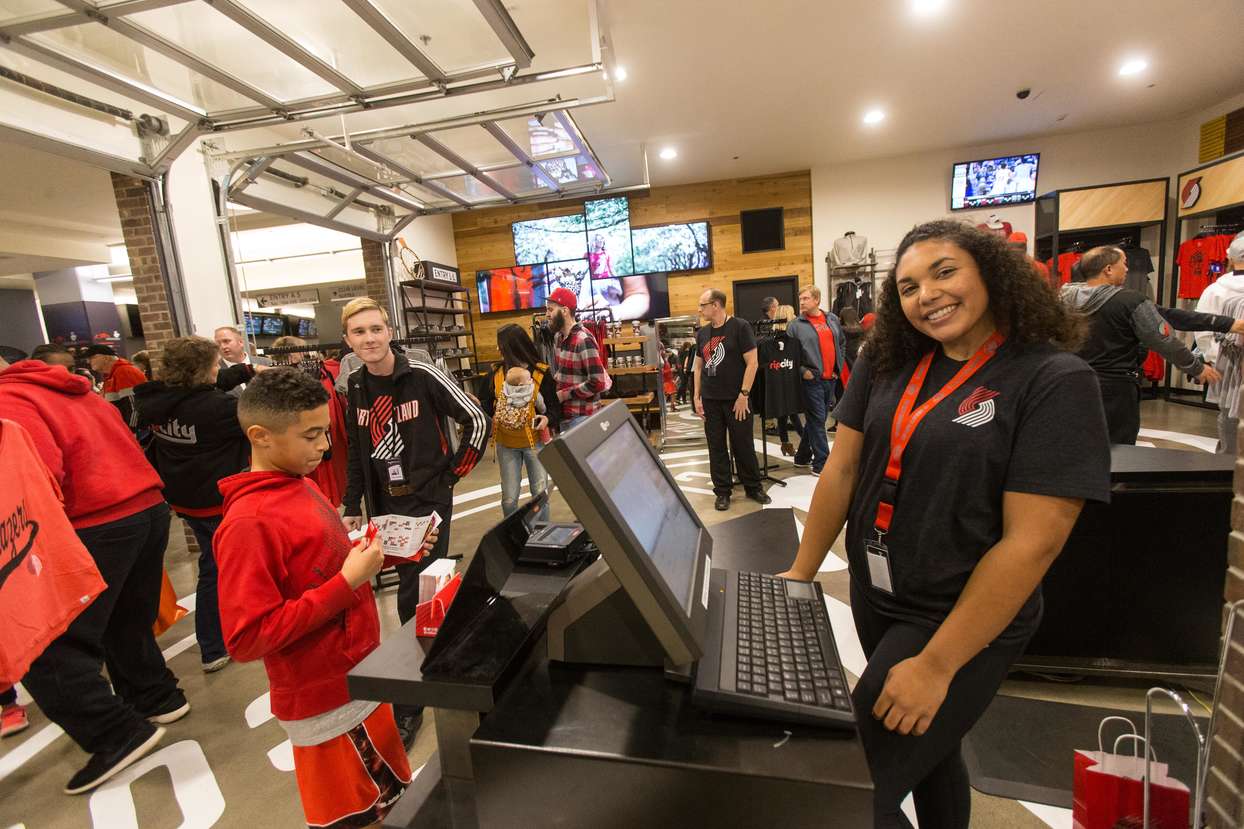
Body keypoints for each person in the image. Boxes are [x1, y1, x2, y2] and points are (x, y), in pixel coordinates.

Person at [781, 220, 1112, 829]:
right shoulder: (888, 358)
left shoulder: (1052, 379)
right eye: (907, 287)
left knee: (846, 789)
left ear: (990, 272)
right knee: (932, 754)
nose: (925, 295)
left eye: (943, 272)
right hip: (877, 592)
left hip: (956, 614)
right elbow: (845, 466)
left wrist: (936, 665)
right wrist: (802, 571)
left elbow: (1033, 541)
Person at [215, 368, 434, 829]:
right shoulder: (248, 523)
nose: (324, 447)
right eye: (311, 435)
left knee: (394, 804)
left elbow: (327, 566)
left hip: (360, 678)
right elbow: (247, 637)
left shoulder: (300, 482)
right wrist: (348, 583)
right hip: (326, 700)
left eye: (325, 433)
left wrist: (389, 555)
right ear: (261, 436)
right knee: (359, 815)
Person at [0, 354, 186, 794]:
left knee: (46, 642)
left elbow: (37, 476)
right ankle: (157, 696)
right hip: (145, 507)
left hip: (93, 520)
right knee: (126, 618)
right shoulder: (74, 390)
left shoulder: (10, 402)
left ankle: (114, 733)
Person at [339, 298, 489, 746]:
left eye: (375, 329)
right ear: (348, 340)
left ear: (389, 331)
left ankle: (411, 702)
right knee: (418, 594)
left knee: (414, 595)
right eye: (359, 333)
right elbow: (356, 451)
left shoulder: (421, 375)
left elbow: (476, 419)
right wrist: (352, 502)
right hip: (384, 507)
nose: (369, 339)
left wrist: (450, 477)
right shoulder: (354, 387)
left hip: (427, 504)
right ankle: (435, 660)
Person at [134, 336, 259, 673]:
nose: (219, 369)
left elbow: (204, 389)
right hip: (216, 501)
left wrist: (246, 369)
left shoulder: (156, 401)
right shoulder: (218, 409)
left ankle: (226, 634)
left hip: (184, 499)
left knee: (217, 564)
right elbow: (256, 427)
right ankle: (214, 646)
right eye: (215, 364)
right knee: (217, 571)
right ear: (202, 370)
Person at [1060, 246, 1221, 444]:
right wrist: (1195, 367)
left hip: (1070, 382)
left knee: (1075, 443)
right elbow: (1163, 340)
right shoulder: (1131, 301)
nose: (1127, 269)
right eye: (1124, 263)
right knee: (1119, 450)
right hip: (1116, 388)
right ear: (1108, 269)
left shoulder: (1060, 299)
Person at [693, 289, 772, 511]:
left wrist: (744, 395)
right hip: (710, 400)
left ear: (716, 305)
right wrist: (696, 395)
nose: (700, 309)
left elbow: (753, 363)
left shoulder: (740, 327)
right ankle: (722, 491)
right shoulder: (703, 333)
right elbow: (698, 367)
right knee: (716, 446)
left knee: (743, 444)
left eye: (703, 305)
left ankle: (753, 487)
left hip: (737, 399)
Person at [478, 324, 559, 521]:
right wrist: (490, 415)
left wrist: (548, 418)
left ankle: (542, 537)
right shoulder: (495, 375)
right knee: (509, 499)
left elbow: (555, 407)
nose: (498, 350)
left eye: (501, 346)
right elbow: (485, 405)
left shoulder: (541, 373)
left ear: (512, 347)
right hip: (506, 445)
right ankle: (514, 537)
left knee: (540, 494)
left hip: (535, 443)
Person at [273, 335, 350, 506]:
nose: (307, 356)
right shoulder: (312, 377)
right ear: (294, 355)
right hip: (306, 446)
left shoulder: (273, 381)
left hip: (296, 448)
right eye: (303, 352)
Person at [788, 285, 848, 474]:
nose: (802, 302)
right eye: (801, 299)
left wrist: (838, 367)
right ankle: (822, 464)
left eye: (806, 298)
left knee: (817, 420)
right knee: (816, 420)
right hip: (810, 380)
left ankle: (802, 456)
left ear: (816, 300)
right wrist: (802, 371)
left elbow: (842, 343)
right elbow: (790, 355)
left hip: (830, 378)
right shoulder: (795, 325)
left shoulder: (832, 319)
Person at [1195, 233, 1244, 453]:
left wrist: (1214, 358)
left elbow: (1202, 329)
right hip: (1230, 359)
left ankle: (1227, 461)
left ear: (1231, 259)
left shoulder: (1215, 290)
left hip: (1227, 362)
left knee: (1228, 413)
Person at [546, 287, 609, 430]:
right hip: (565, 417)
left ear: (564, 311)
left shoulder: (583, 340)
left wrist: (564, 395)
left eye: (550, 310)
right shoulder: (558, 338)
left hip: (584, 418)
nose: (547, 315)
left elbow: (598, 383)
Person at [83, 344, 148, 431]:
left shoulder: (124, 371)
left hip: (134, 432)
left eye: (92, 357)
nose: (88, 362)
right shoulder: (114, 374)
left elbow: (136, 407)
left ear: (106, 358)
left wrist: (131, 431)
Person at [214, 325, 271, 396]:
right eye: (218, 344)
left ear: (240, 342)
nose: (223, 347)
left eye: (226, 341)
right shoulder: (215, 372)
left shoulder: (266, 363)